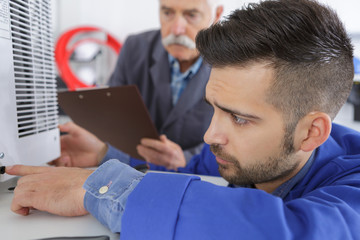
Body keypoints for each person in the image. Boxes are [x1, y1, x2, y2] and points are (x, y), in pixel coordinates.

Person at [7, 0, 360, 238]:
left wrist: (101, 188)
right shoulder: (236, 156)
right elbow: (187, 175)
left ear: (311, 132)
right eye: (215, 108)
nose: (210, 135)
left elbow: (293, 230)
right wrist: (102, 158)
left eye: (238, 118)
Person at [58, 0, 223, 170]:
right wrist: (97, 147)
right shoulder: (135, 47)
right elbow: (111, 117)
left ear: (216, 15)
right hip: (130, 169)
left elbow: (231, 141)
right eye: (167, 13)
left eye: (191, 15)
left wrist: (186, 161)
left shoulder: (231, 64)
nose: (176, 29)